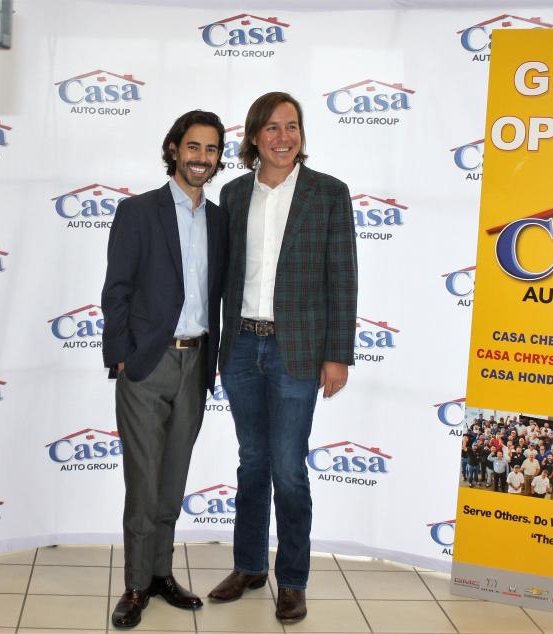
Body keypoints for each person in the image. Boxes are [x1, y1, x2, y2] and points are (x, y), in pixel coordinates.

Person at [207, 92, 357, 624]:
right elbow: (220, 278)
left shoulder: (328, 194)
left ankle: (292, 580)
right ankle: (248, 566)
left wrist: (338, 355)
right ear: (253, 137)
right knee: (252, 463)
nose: (283, 137)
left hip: (298, 350)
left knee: (289, 469)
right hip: (243, 347)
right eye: (272, 128)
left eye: (292, 126)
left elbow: (343, 278)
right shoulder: (231, 195)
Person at [101, 110, 228, 628]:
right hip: (147, 364)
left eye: (212, 150)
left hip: (196, 363)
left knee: (173, 479)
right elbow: (116, 291)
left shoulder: (219, 220)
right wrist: (122, 355)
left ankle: (160, 574)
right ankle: (134, 585)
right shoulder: (139, 212)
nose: (202, 158)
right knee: (144, 481)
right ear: (175, 149)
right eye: (193, 147)